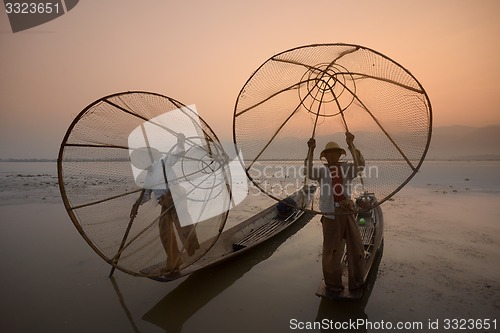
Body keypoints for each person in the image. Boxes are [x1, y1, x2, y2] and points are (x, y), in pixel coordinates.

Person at [305, 131, 365, 292]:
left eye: (335, 153)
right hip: (330, 215)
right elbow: (308, 172)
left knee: (356, 247)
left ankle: (357, 281)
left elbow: (361, 165)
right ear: (325, 156)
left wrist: (351, 144)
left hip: (347, 212)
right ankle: (333, 285)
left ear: (340, 155)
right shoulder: (322, 171)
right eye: (329, 154)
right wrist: (310, 150)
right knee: (331, 250)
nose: (332, 156)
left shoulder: (347, 169)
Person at [130, 134, 200, 273]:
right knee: (164, 231)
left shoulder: (163, 162)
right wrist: (136, 204)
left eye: (144, 158)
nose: (143, 162)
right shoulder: (148, 177)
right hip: (165, 202)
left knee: (183, 226)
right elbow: (146, 195)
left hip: (176, 195)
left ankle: (195, 252)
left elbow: (178, 153)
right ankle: (173, 263)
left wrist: (180, 142)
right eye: (140, 161)